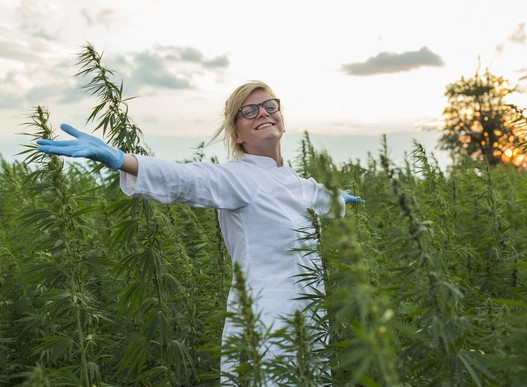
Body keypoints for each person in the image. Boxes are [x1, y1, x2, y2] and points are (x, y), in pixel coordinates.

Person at [37, 80, 362, 385]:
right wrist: (123, 160)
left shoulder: (298, 183)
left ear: (281, 116)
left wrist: (338, 199)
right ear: (236, 134)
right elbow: (189, 179)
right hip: (266, 325)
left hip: (310, 322)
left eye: (269, 105)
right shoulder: (237, 178)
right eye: (248, 111)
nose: (262, 113)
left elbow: (316, 196)